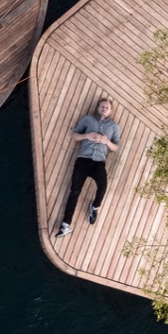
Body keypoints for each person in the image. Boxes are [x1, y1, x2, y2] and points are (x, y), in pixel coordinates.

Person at [57, 97, 121, 238]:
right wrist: (87, 135)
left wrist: (106, 141)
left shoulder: (114, 127)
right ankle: (66, 225)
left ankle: (95, 206)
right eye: (102, 106)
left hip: (99, 163)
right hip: (83, 161)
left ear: (110, 111)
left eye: (107, 107)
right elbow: (74, 135)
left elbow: (115, 147)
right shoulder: (88, 120)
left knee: (103, 186)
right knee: (74, 191)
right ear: (97, 108)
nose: (104, 109)